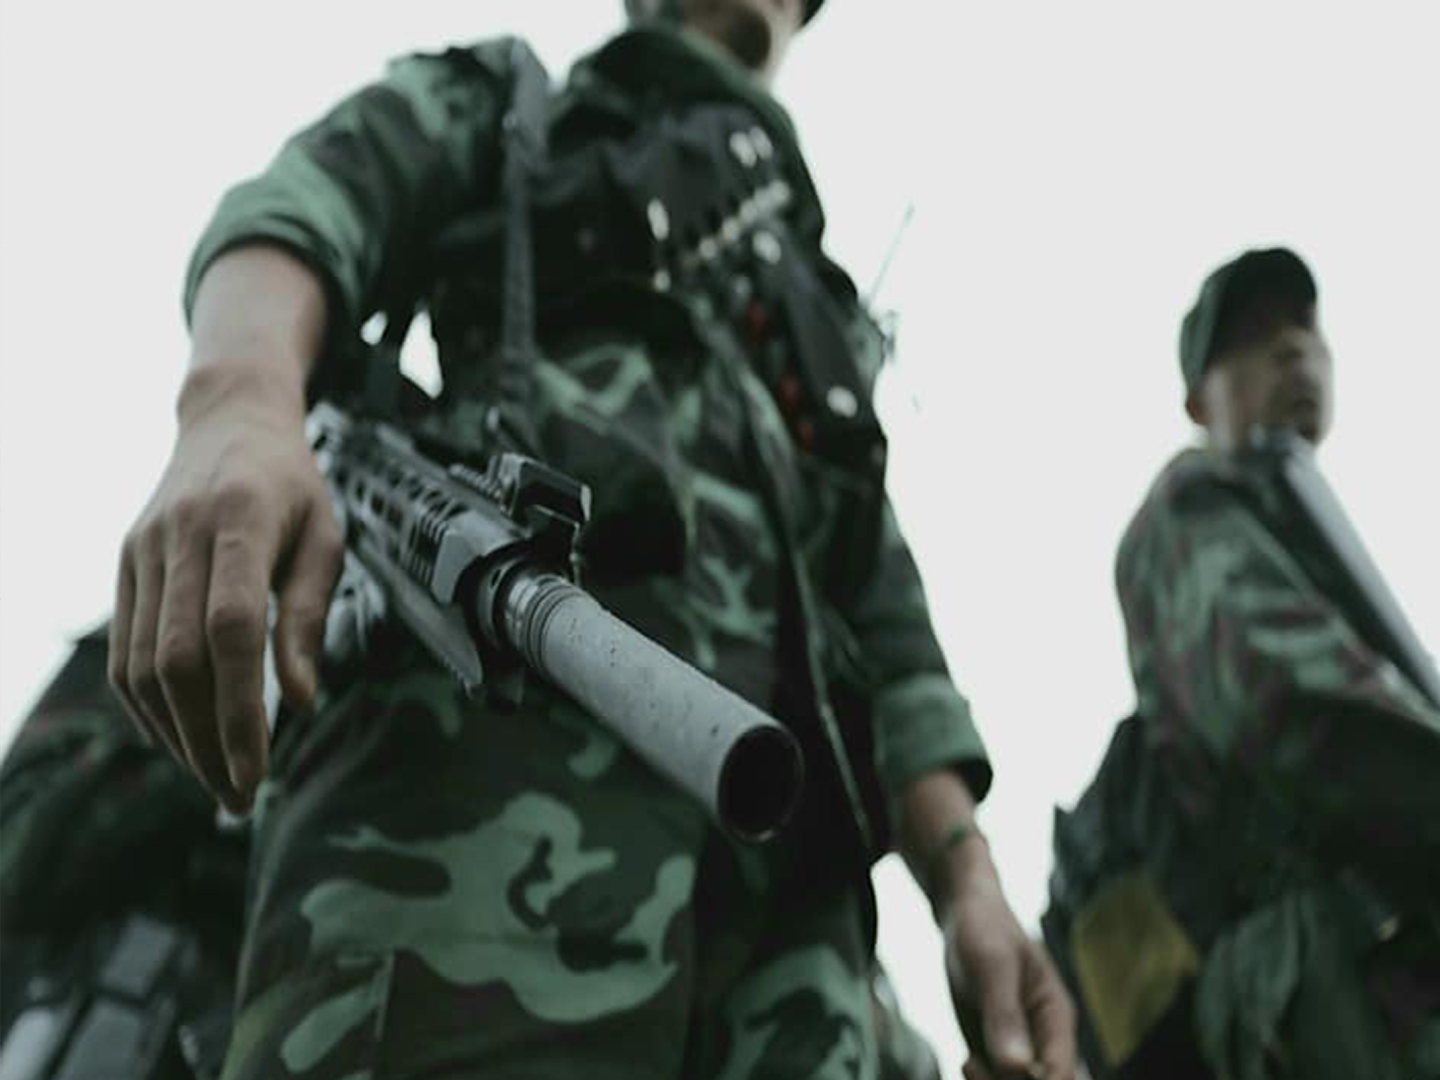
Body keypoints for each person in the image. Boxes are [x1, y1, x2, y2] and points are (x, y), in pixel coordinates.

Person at [99, 2, 1075, 1077]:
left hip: (793, 915)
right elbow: (306, 207)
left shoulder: (808, 296)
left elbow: (880, 605)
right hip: (468, 808)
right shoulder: (521, 111)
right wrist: (238, 404)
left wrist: (968, 885)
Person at [1043, 248, 1440, 1080]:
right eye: (1255, 337)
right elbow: (1291, 704)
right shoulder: (1187, 506)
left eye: (1305, 329)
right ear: (1198, 398)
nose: (1293, 348)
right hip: (1336, 973)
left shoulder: (1294, 521)